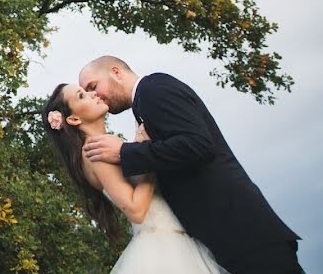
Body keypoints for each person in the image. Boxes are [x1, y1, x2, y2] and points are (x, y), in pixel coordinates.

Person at [79, 56, 301, 274]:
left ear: (116, 72)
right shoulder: (143, 104)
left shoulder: (152, 89)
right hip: (223, 238)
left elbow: (198, 144)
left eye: (93, 86)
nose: (93, 95)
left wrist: (124, 152)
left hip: (243, 231)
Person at [43, 82, 225, 273]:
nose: (93, 94)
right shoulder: (96, 150)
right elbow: (136, 210)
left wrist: (138, 150)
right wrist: (148, 159)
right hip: (163, 249)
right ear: (73, 119)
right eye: (81, 96)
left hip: (170, 242)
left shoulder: (103, 147)